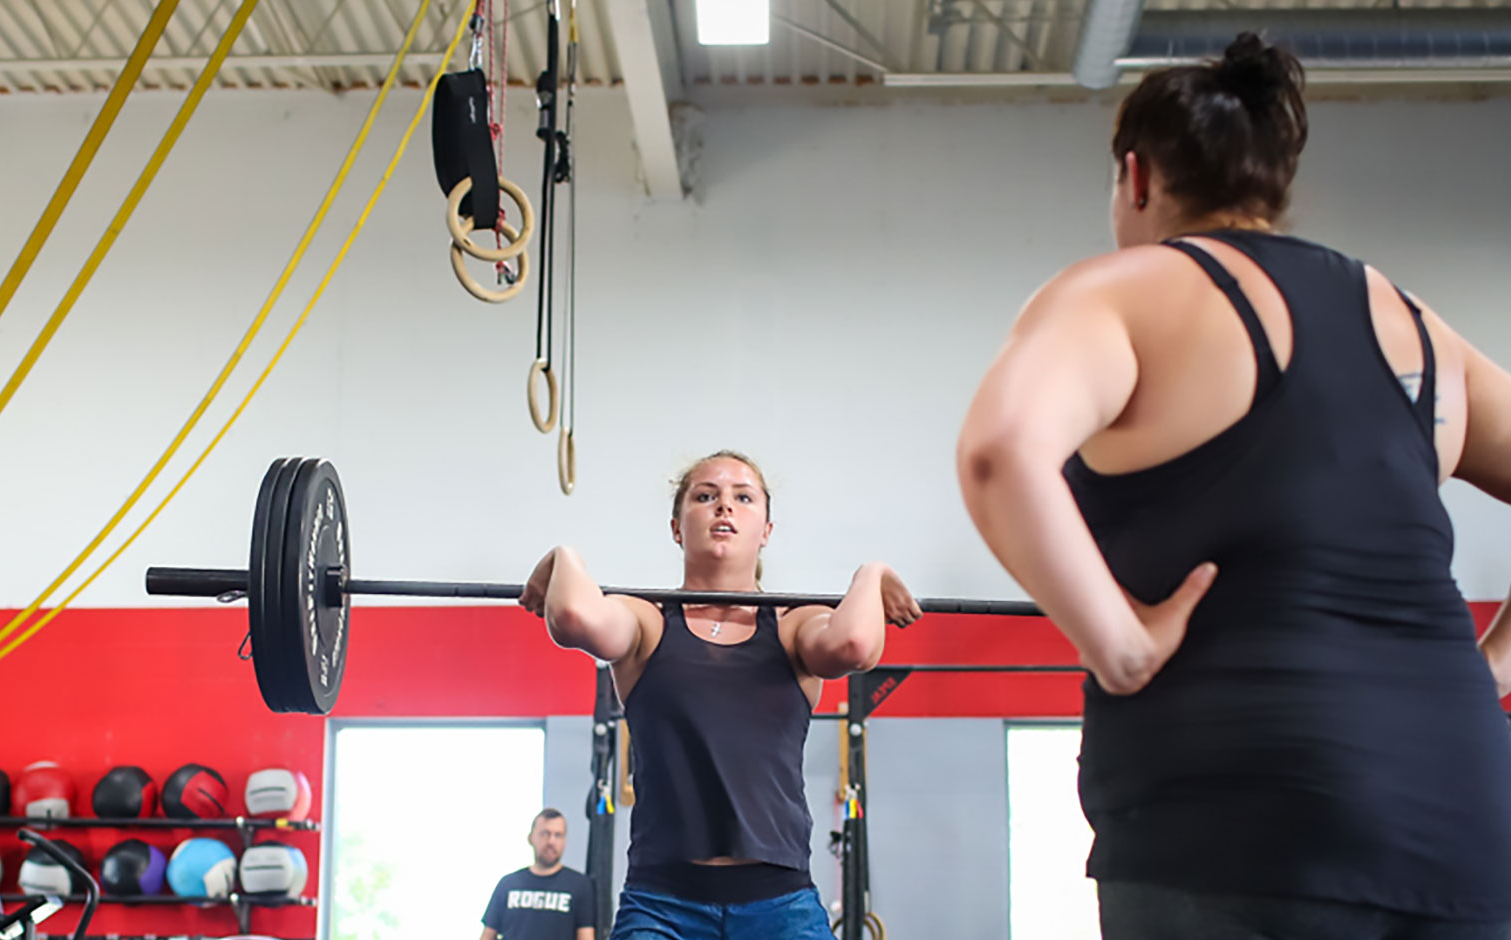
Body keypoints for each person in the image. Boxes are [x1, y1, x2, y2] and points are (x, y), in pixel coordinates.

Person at [956, 32, 1511, 940]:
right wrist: (1487, 668)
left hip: (1236, 814)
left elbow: (999, 452)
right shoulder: (1415, 325)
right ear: (1275, 185)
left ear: (1136, 177)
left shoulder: (1128, 292)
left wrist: (1119, 645)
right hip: (1462, 816)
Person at [519, 451, 921, 939]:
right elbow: (575, 619)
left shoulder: (795, 624)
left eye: (742, 497)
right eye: (705, 496)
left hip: (781, 904)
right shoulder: (647, 619)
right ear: (676, 527)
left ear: (766, 530)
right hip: (662, 905)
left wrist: (870, 573)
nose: (723, 507)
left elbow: (856, 646)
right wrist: (564, 555)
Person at [479, 809, 596, 940]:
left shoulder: (580, 886)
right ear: (531, 838)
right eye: (545, 834)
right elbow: (488, 935)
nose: (551, 841)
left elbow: (586, 936)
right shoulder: (508, 884)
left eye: (558, 835)